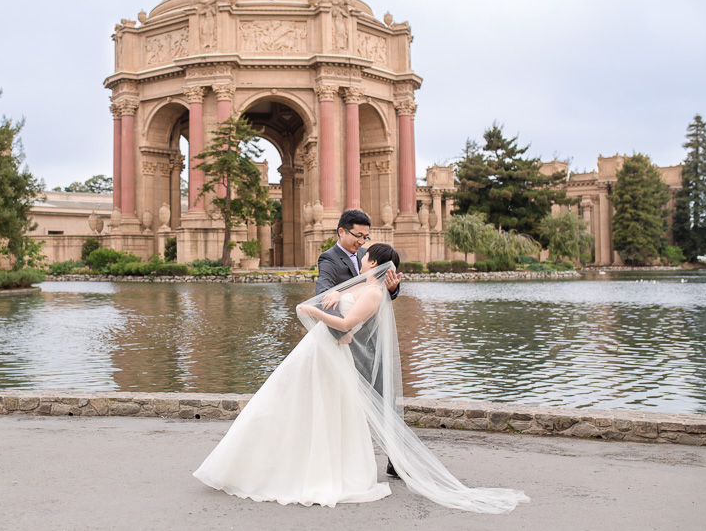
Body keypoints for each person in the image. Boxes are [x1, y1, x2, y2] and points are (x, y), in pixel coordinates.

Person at [193, 243, 529, 512]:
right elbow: (349, 320)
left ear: (375, 264)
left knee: (295, 407)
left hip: (326, 351)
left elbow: (345, 324)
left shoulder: (373, 293)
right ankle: (267, 465)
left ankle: (276, 469)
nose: (362, 256)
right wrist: (338, 297)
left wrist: (314, 312)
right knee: (288, 406)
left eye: (367, 255)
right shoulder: (364, 286)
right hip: (322, 352)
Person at [317, 209, 400, 475]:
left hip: (373, 342)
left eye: (366, 236)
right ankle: (340, 460)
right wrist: (341, 334)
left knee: (386, 400)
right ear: (341, 231)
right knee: (344, 404)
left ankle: (397, 460)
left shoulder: (370, 257)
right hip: (347, 344)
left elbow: (380, 292)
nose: (362, 241)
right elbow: (323, 295)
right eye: (358, 235)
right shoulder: (329, 259)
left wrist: (390, 289)